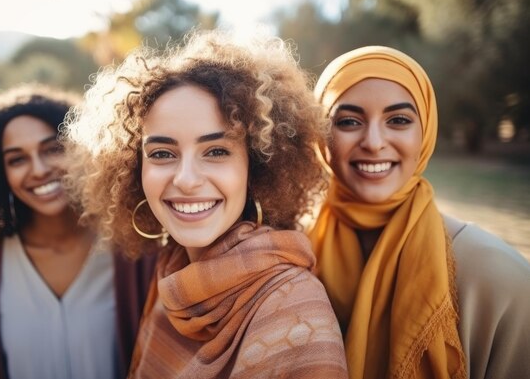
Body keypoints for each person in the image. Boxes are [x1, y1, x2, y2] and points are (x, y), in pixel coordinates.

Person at [63, 30, 349, 378]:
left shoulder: (293, 310)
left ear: (256, 166)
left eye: (216, 151)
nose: (185, 179)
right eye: (162, 153)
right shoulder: (172, 273)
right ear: (135, 170)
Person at [308, 45, 530, 379]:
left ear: (424, 131)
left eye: (398, 120)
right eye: (349, 121)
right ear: (321, 136)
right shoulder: (292, 255)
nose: (373, 141)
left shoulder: (498, 280)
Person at [0, 84, 155, 379]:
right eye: (17, 159)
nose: (38, 169)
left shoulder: (133, 247)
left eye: (53, 149)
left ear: (80, 149)